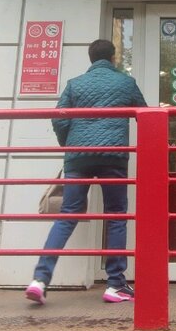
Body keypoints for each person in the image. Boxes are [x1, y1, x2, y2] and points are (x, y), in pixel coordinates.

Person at [26, 39, 147, 305]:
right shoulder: (126, 83)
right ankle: (115, 285)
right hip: (113, 156)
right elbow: (146, 116)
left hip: (78, 157)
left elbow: (59, 118)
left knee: (68, 215)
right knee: (116, 216)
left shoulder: (75, 84)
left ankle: (40, 279)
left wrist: (70, 145)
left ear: (91, 59)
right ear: (113, 58)